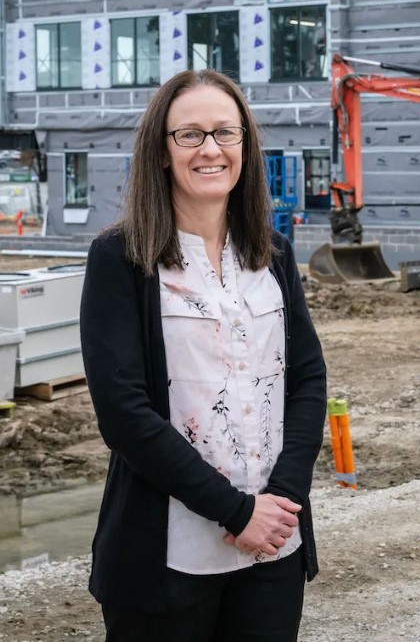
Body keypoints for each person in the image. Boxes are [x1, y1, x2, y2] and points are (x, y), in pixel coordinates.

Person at [80, 69, 327, 641]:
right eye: (189, 135)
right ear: (162, 152)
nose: (210, 149)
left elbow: (308, 378)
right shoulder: (120, 260)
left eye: (225, 133)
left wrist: (281, 502)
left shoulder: (274, 254)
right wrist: (237, 512)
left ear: (245, 144)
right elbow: (124, 414)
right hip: (166, 557)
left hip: (272, 546)